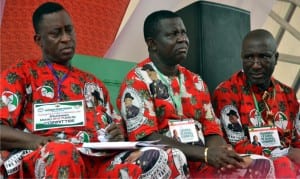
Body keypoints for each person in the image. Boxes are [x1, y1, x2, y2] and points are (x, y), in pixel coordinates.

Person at [0, 2, 189, 178]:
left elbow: (117, 127)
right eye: (56, 33)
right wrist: (34, 141)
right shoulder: (21, 75)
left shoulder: (92, 83)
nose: (66, 38)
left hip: (98, 159)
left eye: (69, 30)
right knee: (62, 152)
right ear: (39, 40)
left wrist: (118, 133)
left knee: (168, 156)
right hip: (49, 156)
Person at [116, 10, 262, 178]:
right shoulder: (137, 80)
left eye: (183, 33)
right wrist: (206, 154)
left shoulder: (196, 81)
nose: (182, 39)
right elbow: (147, 138)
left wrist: (222, 153)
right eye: (173, 34)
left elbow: (212, 131)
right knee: (174, 159)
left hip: (201, 162)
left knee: (255, 164)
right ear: (152, 44)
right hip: (166, 162)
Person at [213, 29, 300, 178]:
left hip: (289, 167)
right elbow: (238, 145)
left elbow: (297, 141)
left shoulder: (288, 94)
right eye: (249, 57)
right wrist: (286, 153)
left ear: (276, 58)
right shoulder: (227, 92)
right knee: (282, 164)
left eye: (263, 57)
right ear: (241, 57)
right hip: (247, 167)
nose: (255, 65)